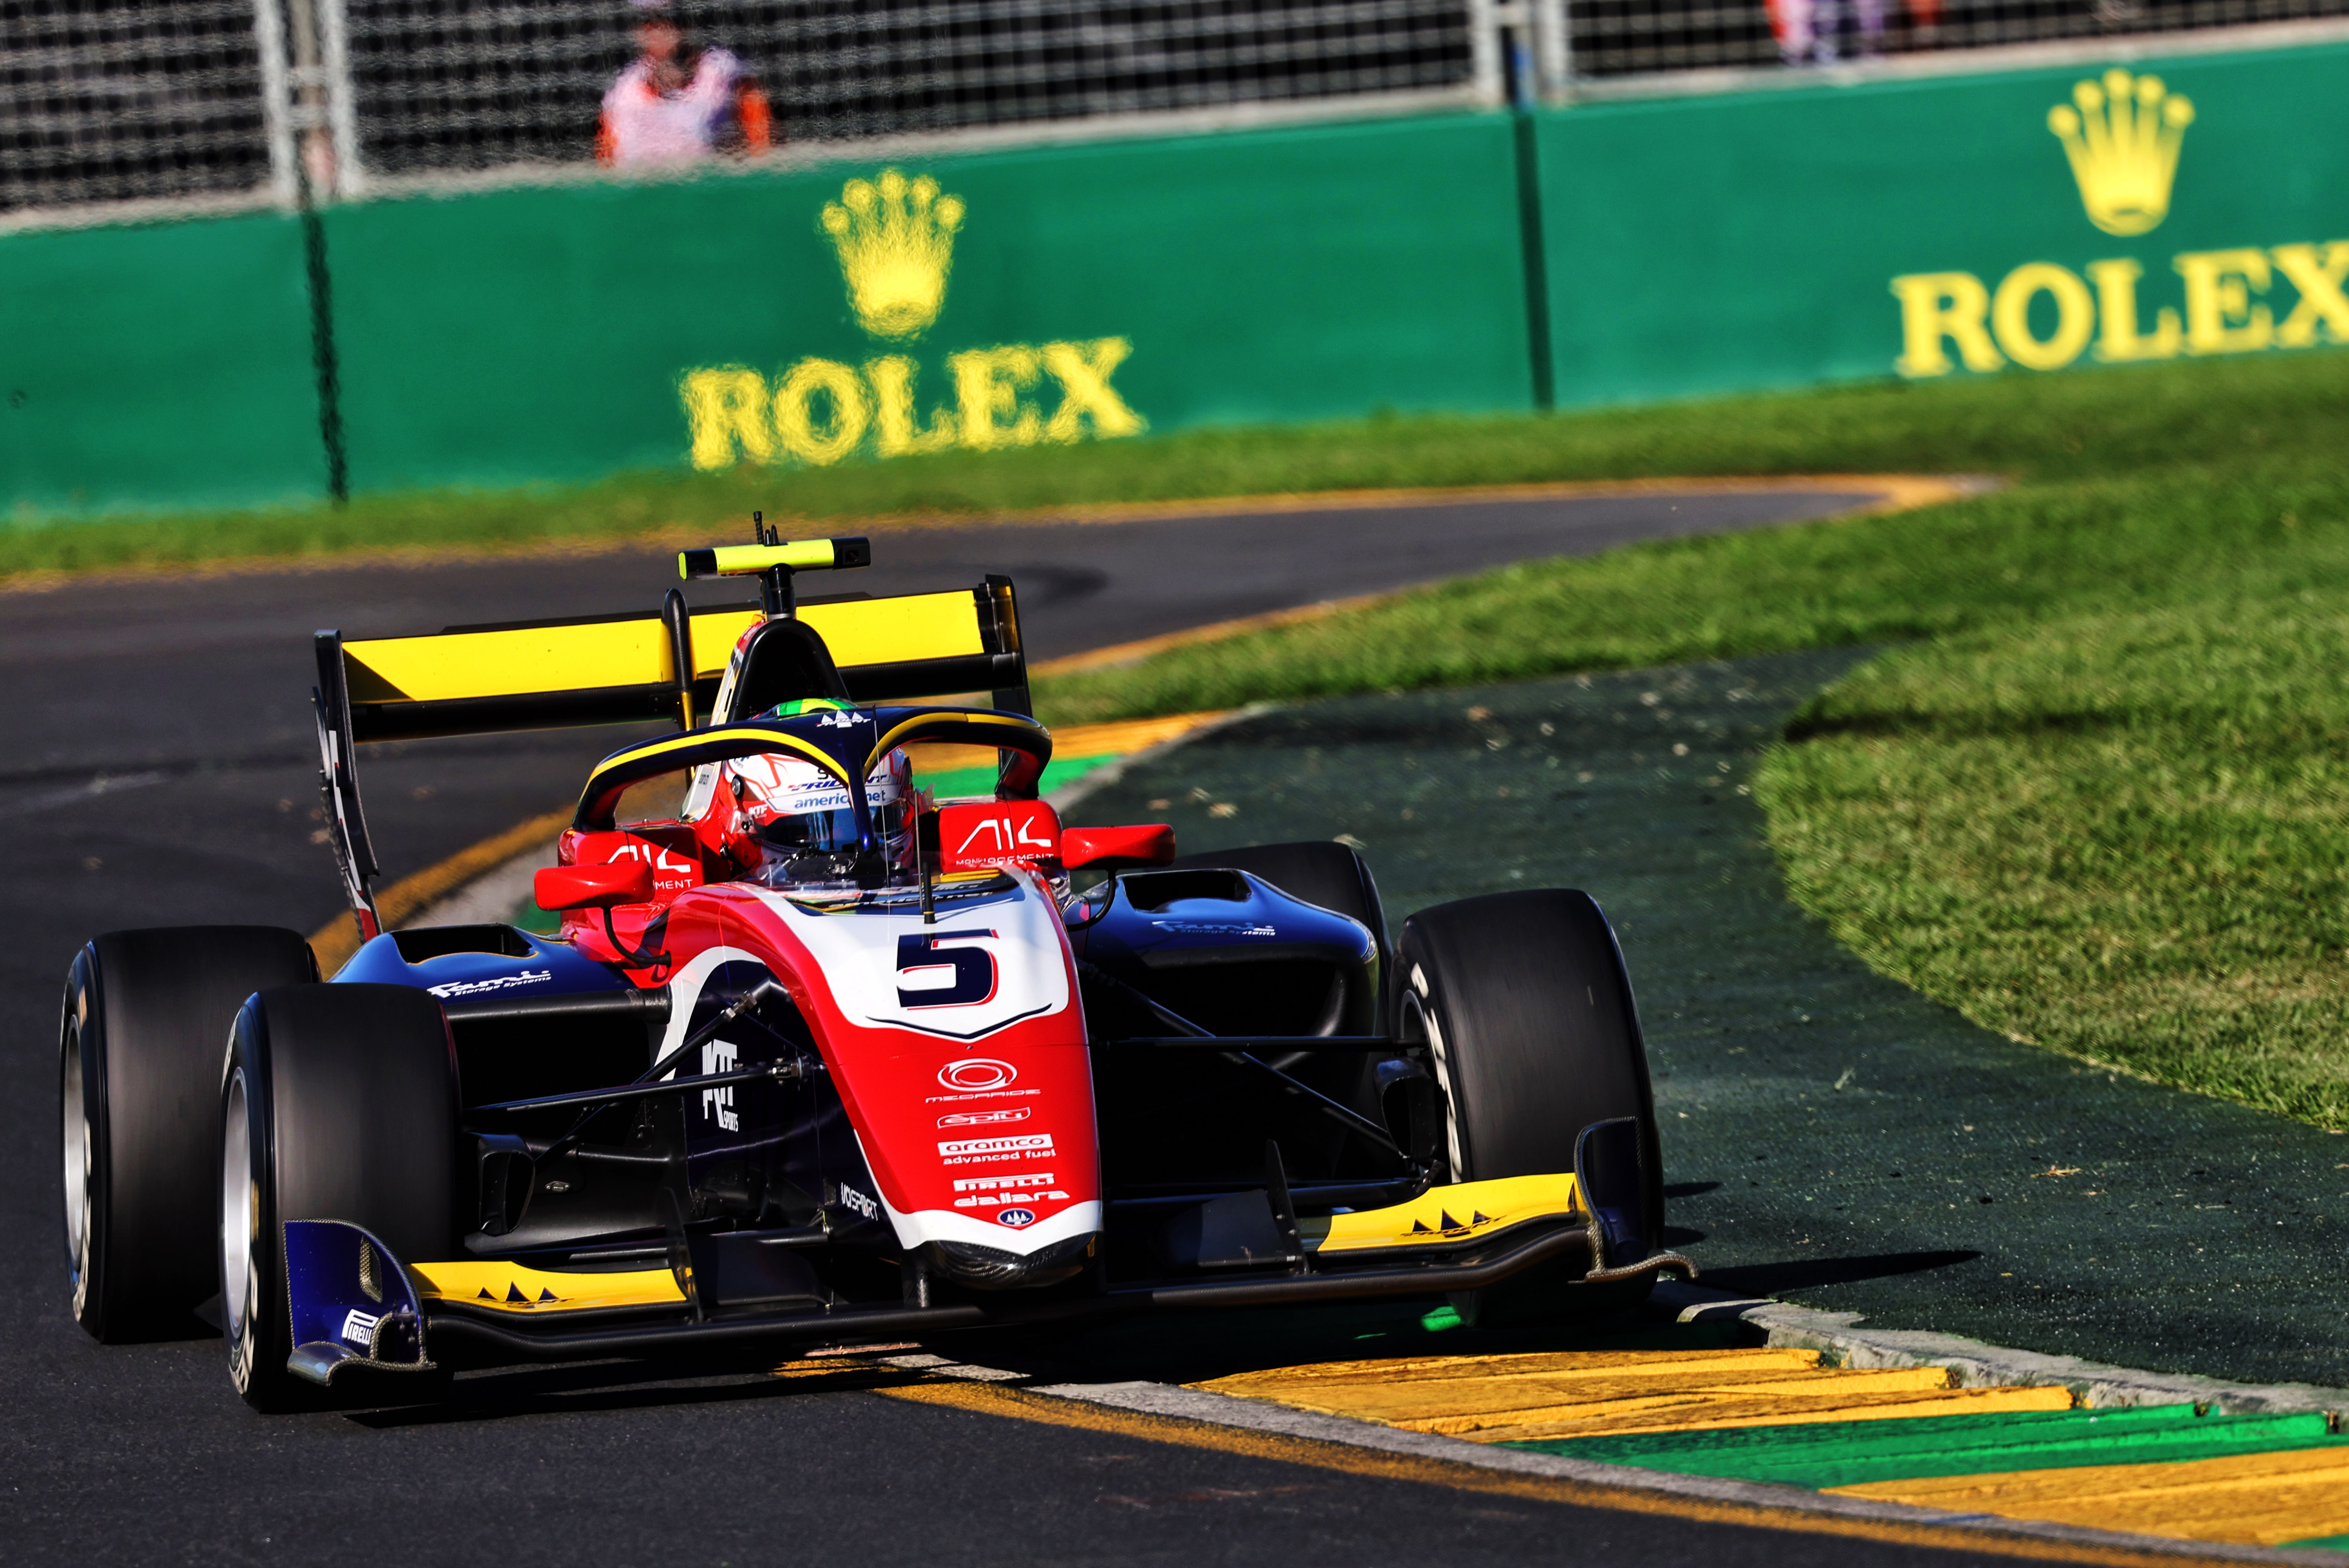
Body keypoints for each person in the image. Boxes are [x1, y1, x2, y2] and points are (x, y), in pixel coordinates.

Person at [597, 0, 772, 168]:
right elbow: (608, 169)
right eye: (647, 22)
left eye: (668, 18)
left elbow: (763, 151)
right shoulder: (621, 96)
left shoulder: (726, 76)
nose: (658, 29)